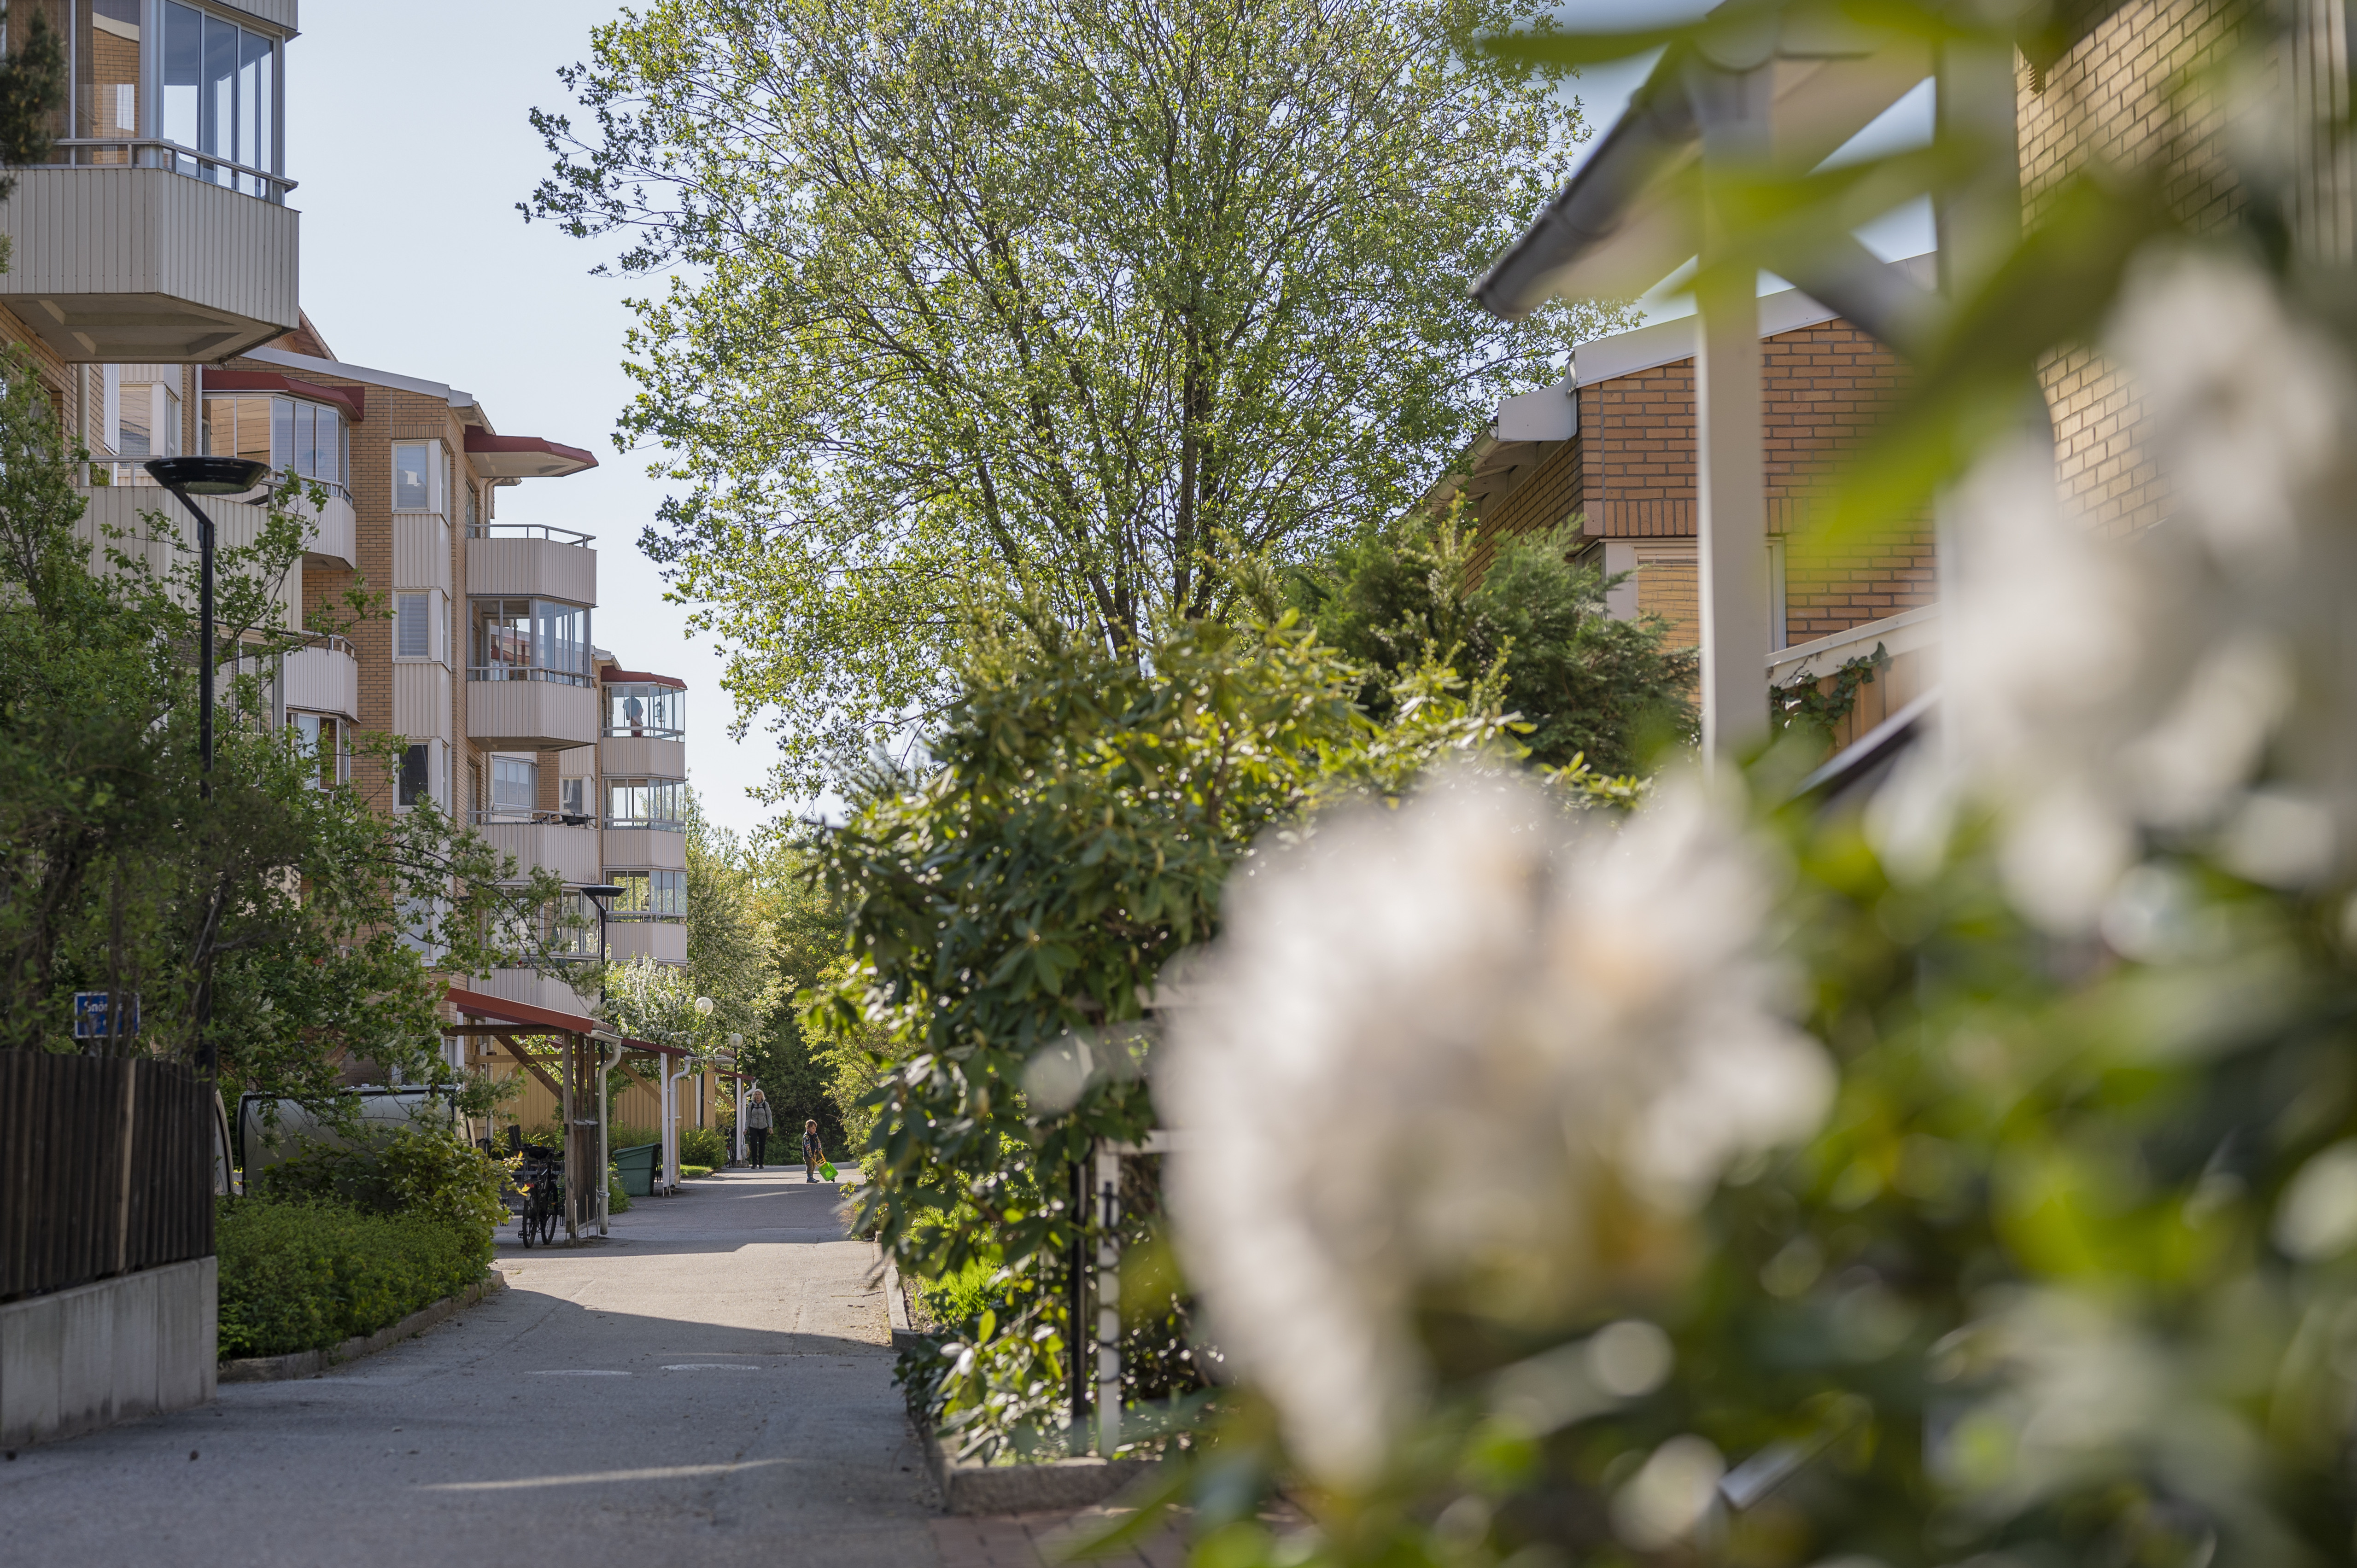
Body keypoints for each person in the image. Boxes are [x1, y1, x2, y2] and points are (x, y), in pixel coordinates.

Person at [744, 1089, 772, 1169]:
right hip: (753, 1127)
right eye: (756, 1095)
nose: (758, 1096)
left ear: (761, 1096)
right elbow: (748, 1118)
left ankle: (761, 1163)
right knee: (753, 1145)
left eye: (759, 1095)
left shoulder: (765, 1105)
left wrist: (771, 1127)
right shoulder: (751, 1105)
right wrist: (746, 1129)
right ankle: (754, 1163)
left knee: (762, 1145)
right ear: (754, 1096)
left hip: (763, 1127)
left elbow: (769, 1116)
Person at [802, 1119, 825, 1184]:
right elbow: (808, 1147)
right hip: (808, 1155)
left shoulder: (815, 1135)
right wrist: (810, 1155)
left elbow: (819, 1142)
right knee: (810, 1166)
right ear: (808, 1128)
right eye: (813, 1128)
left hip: (814, 1154)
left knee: (814, 1166)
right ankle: (809, 1178)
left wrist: (820, 1149)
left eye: (815, 1128)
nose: (814, 1130)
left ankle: (812, 1177)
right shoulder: (806, 1137)